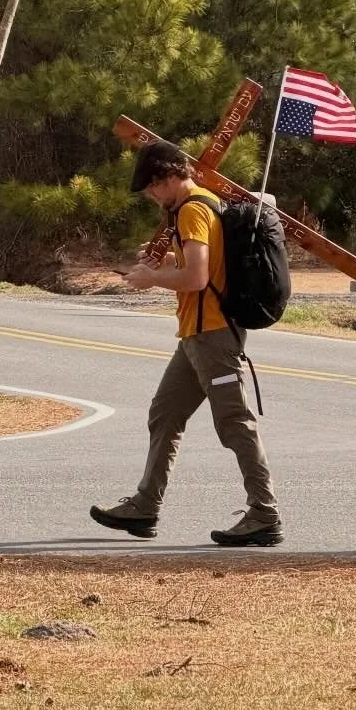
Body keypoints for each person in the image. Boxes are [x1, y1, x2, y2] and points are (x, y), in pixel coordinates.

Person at [89, 139, 282, 548]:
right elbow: (202, 269)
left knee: (235, 424)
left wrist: (152, 278)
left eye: (152, 188)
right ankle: (145, 506)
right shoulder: (197, 207)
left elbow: (196, 280)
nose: (151, 196)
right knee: (165, 413)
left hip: (213, 336)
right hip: (194, 337)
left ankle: (264, 514)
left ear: (168, 177)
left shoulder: (194, 209)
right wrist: (166, 264)